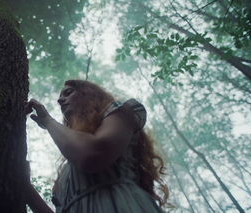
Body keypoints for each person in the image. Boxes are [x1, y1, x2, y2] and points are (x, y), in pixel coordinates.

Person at [24, 80, 169, 213]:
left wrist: (48, 121)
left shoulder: (123, 111)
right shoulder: (67, 172)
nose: (60, 100)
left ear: (90, 94)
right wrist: (25, 187)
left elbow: (93, 155)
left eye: (68, 93)